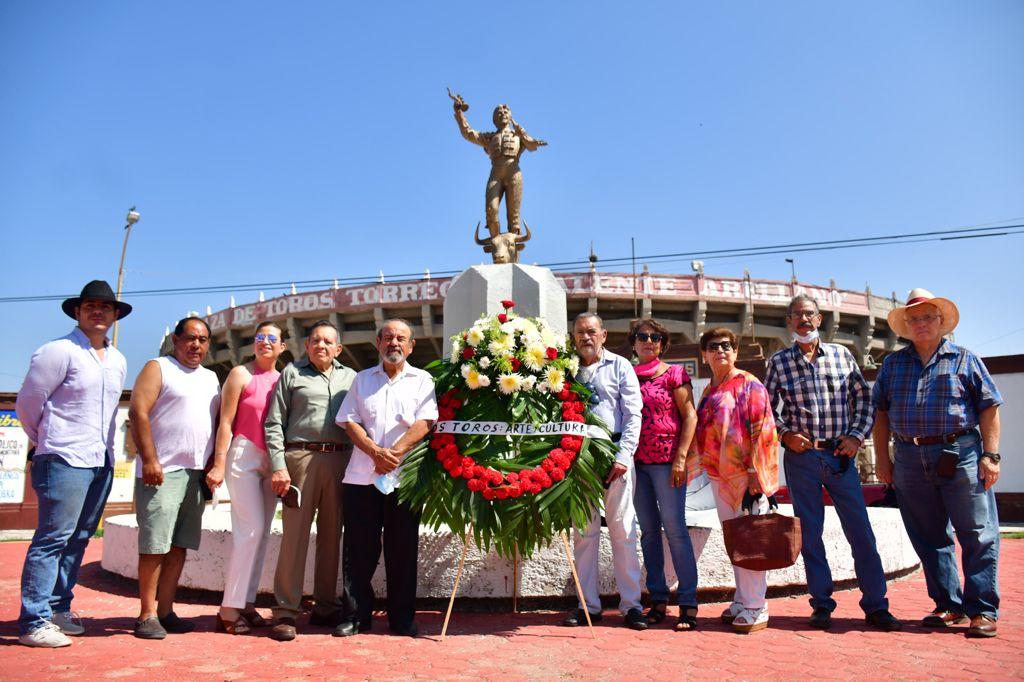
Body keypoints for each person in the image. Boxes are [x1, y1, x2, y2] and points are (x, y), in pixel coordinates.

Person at [764, 294, 901, 632]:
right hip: (802, 459)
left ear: (819, 319)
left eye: (808, 314)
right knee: (810, 534)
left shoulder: (842, 355)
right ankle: (822, 604)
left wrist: (856, 437)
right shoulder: (778, 362)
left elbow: (864, 401)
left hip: (840, 457)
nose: (802, 320)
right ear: (788, 322)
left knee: (860, 532)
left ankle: (876, 604)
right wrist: (784, 435)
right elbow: (765, 411)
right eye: (795, 315)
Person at [872, 289, 1002, 638]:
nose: (921, 323)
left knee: (976, 533)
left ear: (941, 322)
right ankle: (948, 605)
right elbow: (880, 414)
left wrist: (991, 456)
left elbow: (989, 407)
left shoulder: (964, 359)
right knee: (928, 536)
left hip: (960, 453)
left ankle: (983, 610)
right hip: (910, 458)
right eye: (914, 319)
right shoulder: (893, 365)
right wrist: (883, 460)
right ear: (906, 326)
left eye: (927, 317)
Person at [15, 280, 130, 647]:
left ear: (114, 316)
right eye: (91, 306)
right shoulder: (57, 351)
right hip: (63, 457)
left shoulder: (118, 360)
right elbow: (28, 404)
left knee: (79, 539)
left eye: (106, 307)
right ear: (77, 312)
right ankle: (34, 621)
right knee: (52, 538)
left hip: (101, 460)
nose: (99, 311)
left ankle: (58, 608)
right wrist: (47, 441)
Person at [336, 319, 437, 637]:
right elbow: (348, 420)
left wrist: (391, 453)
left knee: (403, 549)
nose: (394, 343)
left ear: (411, 346)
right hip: (361, 477)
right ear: (378, 343)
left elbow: (426, 421)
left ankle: (402, 618)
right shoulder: (362, 380)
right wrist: (374, 452)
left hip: (404, 478)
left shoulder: (423, 379)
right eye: (388, 337)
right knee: (357, 550)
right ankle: (356, 616)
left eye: (401, 338)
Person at [263, 320, 356, 641]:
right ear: (306, 345)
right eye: (316, 340)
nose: (322, 346)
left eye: (328, 342)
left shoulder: (351, 378)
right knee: (295, 537)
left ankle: (326, 606)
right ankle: (286, 611)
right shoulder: (292, 374)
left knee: (333, 535)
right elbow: (274, 423)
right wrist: (279, 466)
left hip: (341, 461)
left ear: (339, 349)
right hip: (299, 460)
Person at [129, 316, 220, 639]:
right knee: (155, 545)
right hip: (162, 471)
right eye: (190, 338)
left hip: (195, 473)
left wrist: (211, 467)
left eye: (203, 339)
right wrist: (150, 459)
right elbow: (138, 411)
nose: (196, 345)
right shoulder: (159, 367)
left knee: (179, 546)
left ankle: (166, 611)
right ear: (176, 340)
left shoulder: (210, 378)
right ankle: (146, 614)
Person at [689, 327, 778, 634]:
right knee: (736, 540)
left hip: (744, 476)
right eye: (713, 346)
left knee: (750, 538)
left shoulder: (748, 384)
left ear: (736, 352)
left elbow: (763, 430)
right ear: (704, 354)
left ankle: (757, 604)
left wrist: (756, 474)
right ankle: (743, 598)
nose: (720, 351)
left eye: (727, 346)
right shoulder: (710, 390)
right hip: (718, 476)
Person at [562, 313, 647, 630]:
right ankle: (588, 605)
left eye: (591, 332)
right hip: (579, 460)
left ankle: (631, 605)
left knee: (624, 532)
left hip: (615, 457)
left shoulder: (621, 366)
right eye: (580, 333)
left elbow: (633, 414)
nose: (586, 337)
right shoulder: (567, 370)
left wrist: (624, 455)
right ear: (573, 337)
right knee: (583, 534)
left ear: (604, 335)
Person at [208, 322, 286, 634]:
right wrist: (218, 464)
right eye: (260, 337)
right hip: (243, 455)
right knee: (250, 530)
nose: (265, 342)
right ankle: (228, 610)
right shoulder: (241, 374)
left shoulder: (283, 378)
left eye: (272, 338)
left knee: (263, 533)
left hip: (272, 460)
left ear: (282, 347)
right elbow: (225, 422)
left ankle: (247, 602)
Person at [628, 318, 700, 631]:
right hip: (637, 466)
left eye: (654, 337)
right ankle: (657, 599)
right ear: (633, 343)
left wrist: (681, 459)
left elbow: (690, 417)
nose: (648, 341)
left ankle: (687, 602)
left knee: (675, 529)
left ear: (662, 343)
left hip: (668, 463)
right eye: (642, 336)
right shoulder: (627, 375)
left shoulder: (674, 373)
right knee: (647, 531)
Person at [451, 93, 547, 238]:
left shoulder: (518, 134)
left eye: (505, 112)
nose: (502, 114)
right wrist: (459, 113)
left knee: (513, 216)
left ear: (510, 117)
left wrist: (523, 135)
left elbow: (532, 146)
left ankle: (512, 247)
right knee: (491, 209)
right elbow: (468, 133)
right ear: (494, 120)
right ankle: (495, 242)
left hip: (513, 172)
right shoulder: (489, 138)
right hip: (496, 173)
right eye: (499, 113)